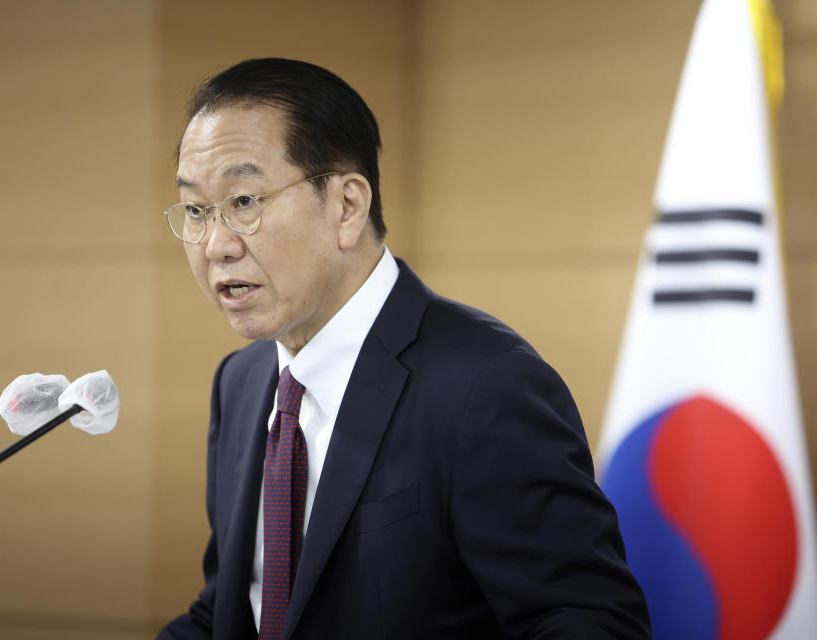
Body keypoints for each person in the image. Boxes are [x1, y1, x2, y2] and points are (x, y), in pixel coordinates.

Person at [157, 58, 650, 640]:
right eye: (196, 210)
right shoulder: (240, 383)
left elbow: (588, 621)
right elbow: (231, 612)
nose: (215, 244)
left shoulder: (486, 385)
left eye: (244, 201)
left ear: (346, 206)